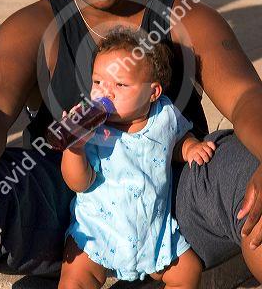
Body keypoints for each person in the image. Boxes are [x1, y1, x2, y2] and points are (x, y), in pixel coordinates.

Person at [0, 0, 261, 288]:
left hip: (172, 204)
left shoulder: (185, 18)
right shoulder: (35, 27)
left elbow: (247, 95)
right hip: (68, 211)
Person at [59, 27, 215, 288]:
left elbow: (174, 140)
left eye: (120, 84)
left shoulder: (164, 114)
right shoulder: (93, 129)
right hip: (98, 228)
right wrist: (74, 149)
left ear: (153, 92)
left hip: (152, 229)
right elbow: (79, 182)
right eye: (98, 82)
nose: (105, 92)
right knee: (76, 277)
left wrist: (187, 148)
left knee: (188, 271)